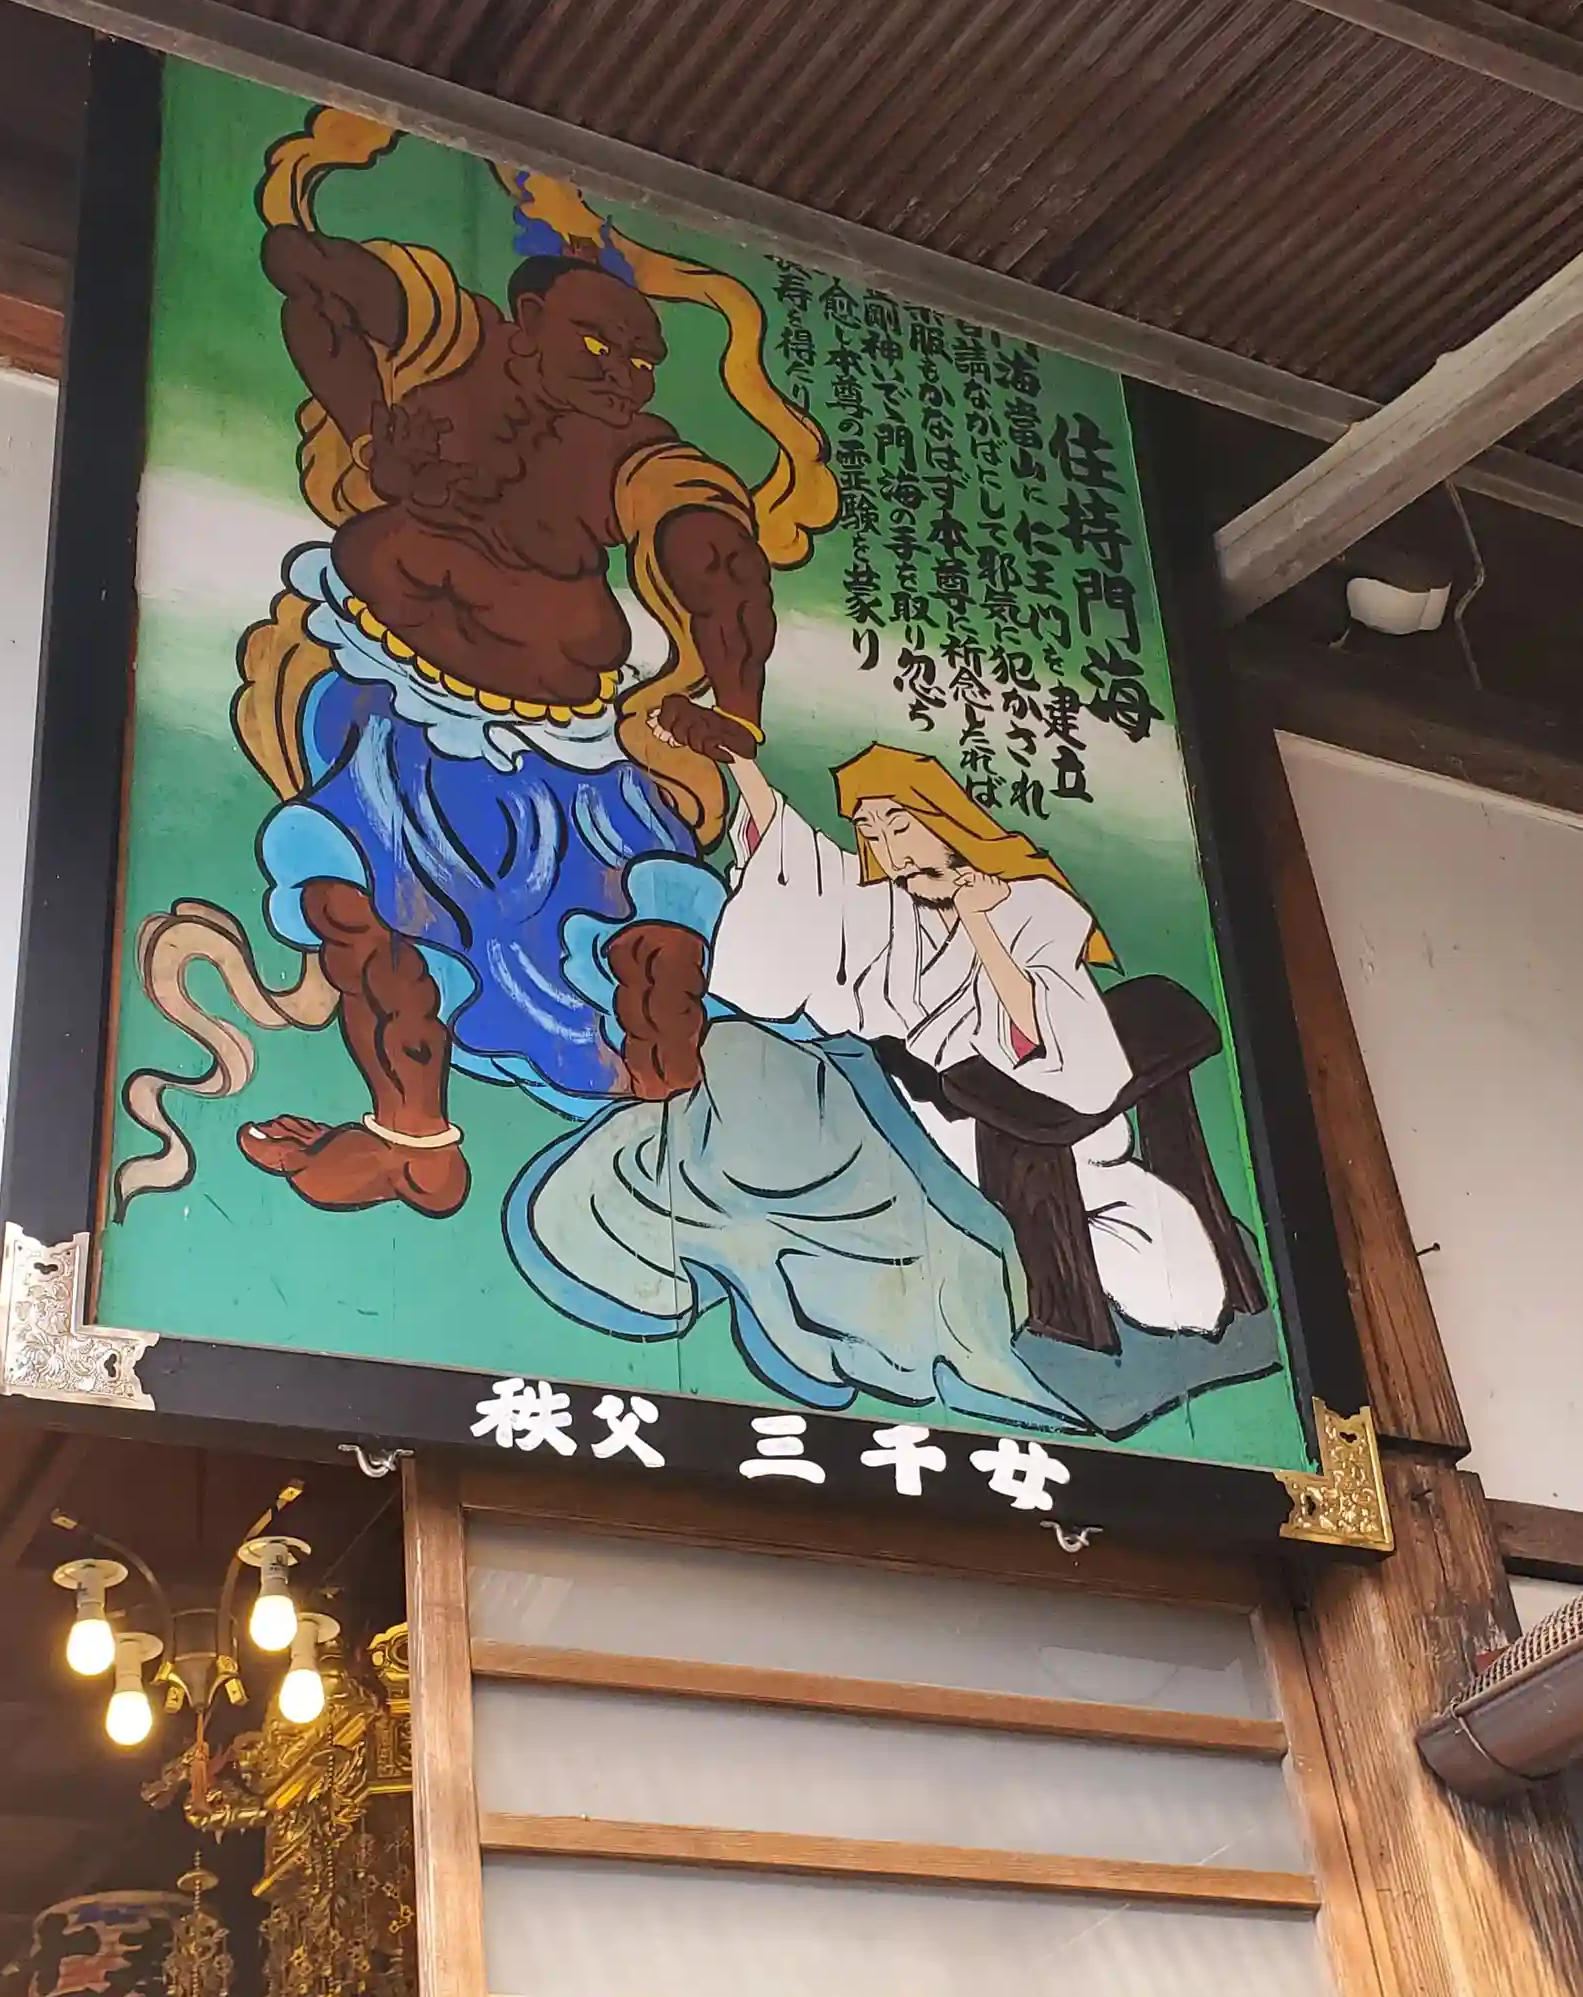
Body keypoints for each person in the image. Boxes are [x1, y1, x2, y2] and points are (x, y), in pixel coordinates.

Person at [235, 217, 780, 1218]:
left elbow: (723, 566)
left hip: (563, 749)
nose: (624, 374)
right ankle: (411, 1136)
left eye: (643, 361)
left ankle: (663, 1061)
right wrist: (370, 431)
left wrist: (736, 707)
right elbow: (301, 271)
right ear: (527, 318)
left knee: (638, 927)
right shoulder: (443, 340)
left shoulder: (633, 452)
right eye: (598, 342)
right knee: (352, 911)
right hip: (386, 704)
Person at [707, 741, 1229, 1337]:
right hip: (927, 1110)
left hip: (1013, 1116)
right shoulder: (890, 902)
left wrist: (978, 919)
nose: (892, 853)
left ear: (944, 818)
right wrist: (742, 765)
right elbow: (805, 867)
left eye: (901, 827)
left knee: (1134, 1238)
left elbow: (1038, 1037)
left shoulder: (1035, 903)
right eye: (872, 834)